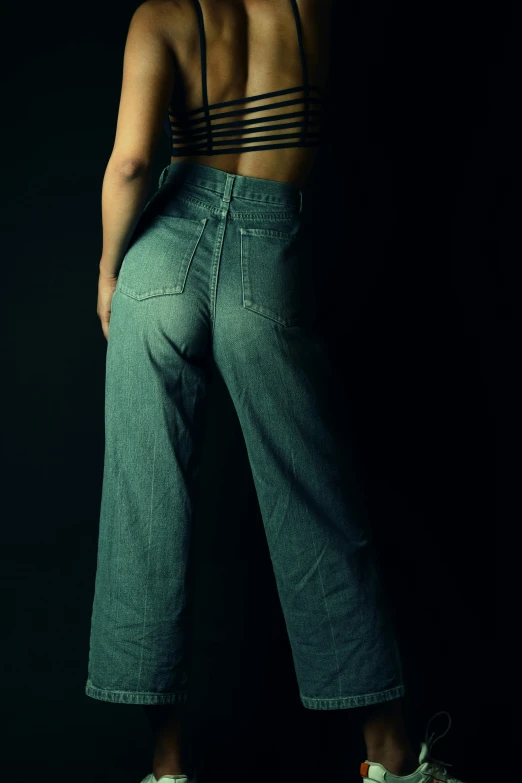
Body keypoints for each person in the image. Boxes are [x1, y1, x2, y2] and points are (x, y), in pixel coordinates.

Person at [88, 2, 466, 782]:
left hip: (162, 254)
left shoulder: (161, 15)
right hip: (269, 255)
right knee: (316, 503)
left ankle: (165, 768)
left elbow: (130, 163)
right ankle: (391, 757)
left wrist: (107, 270)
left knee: (146, 510)